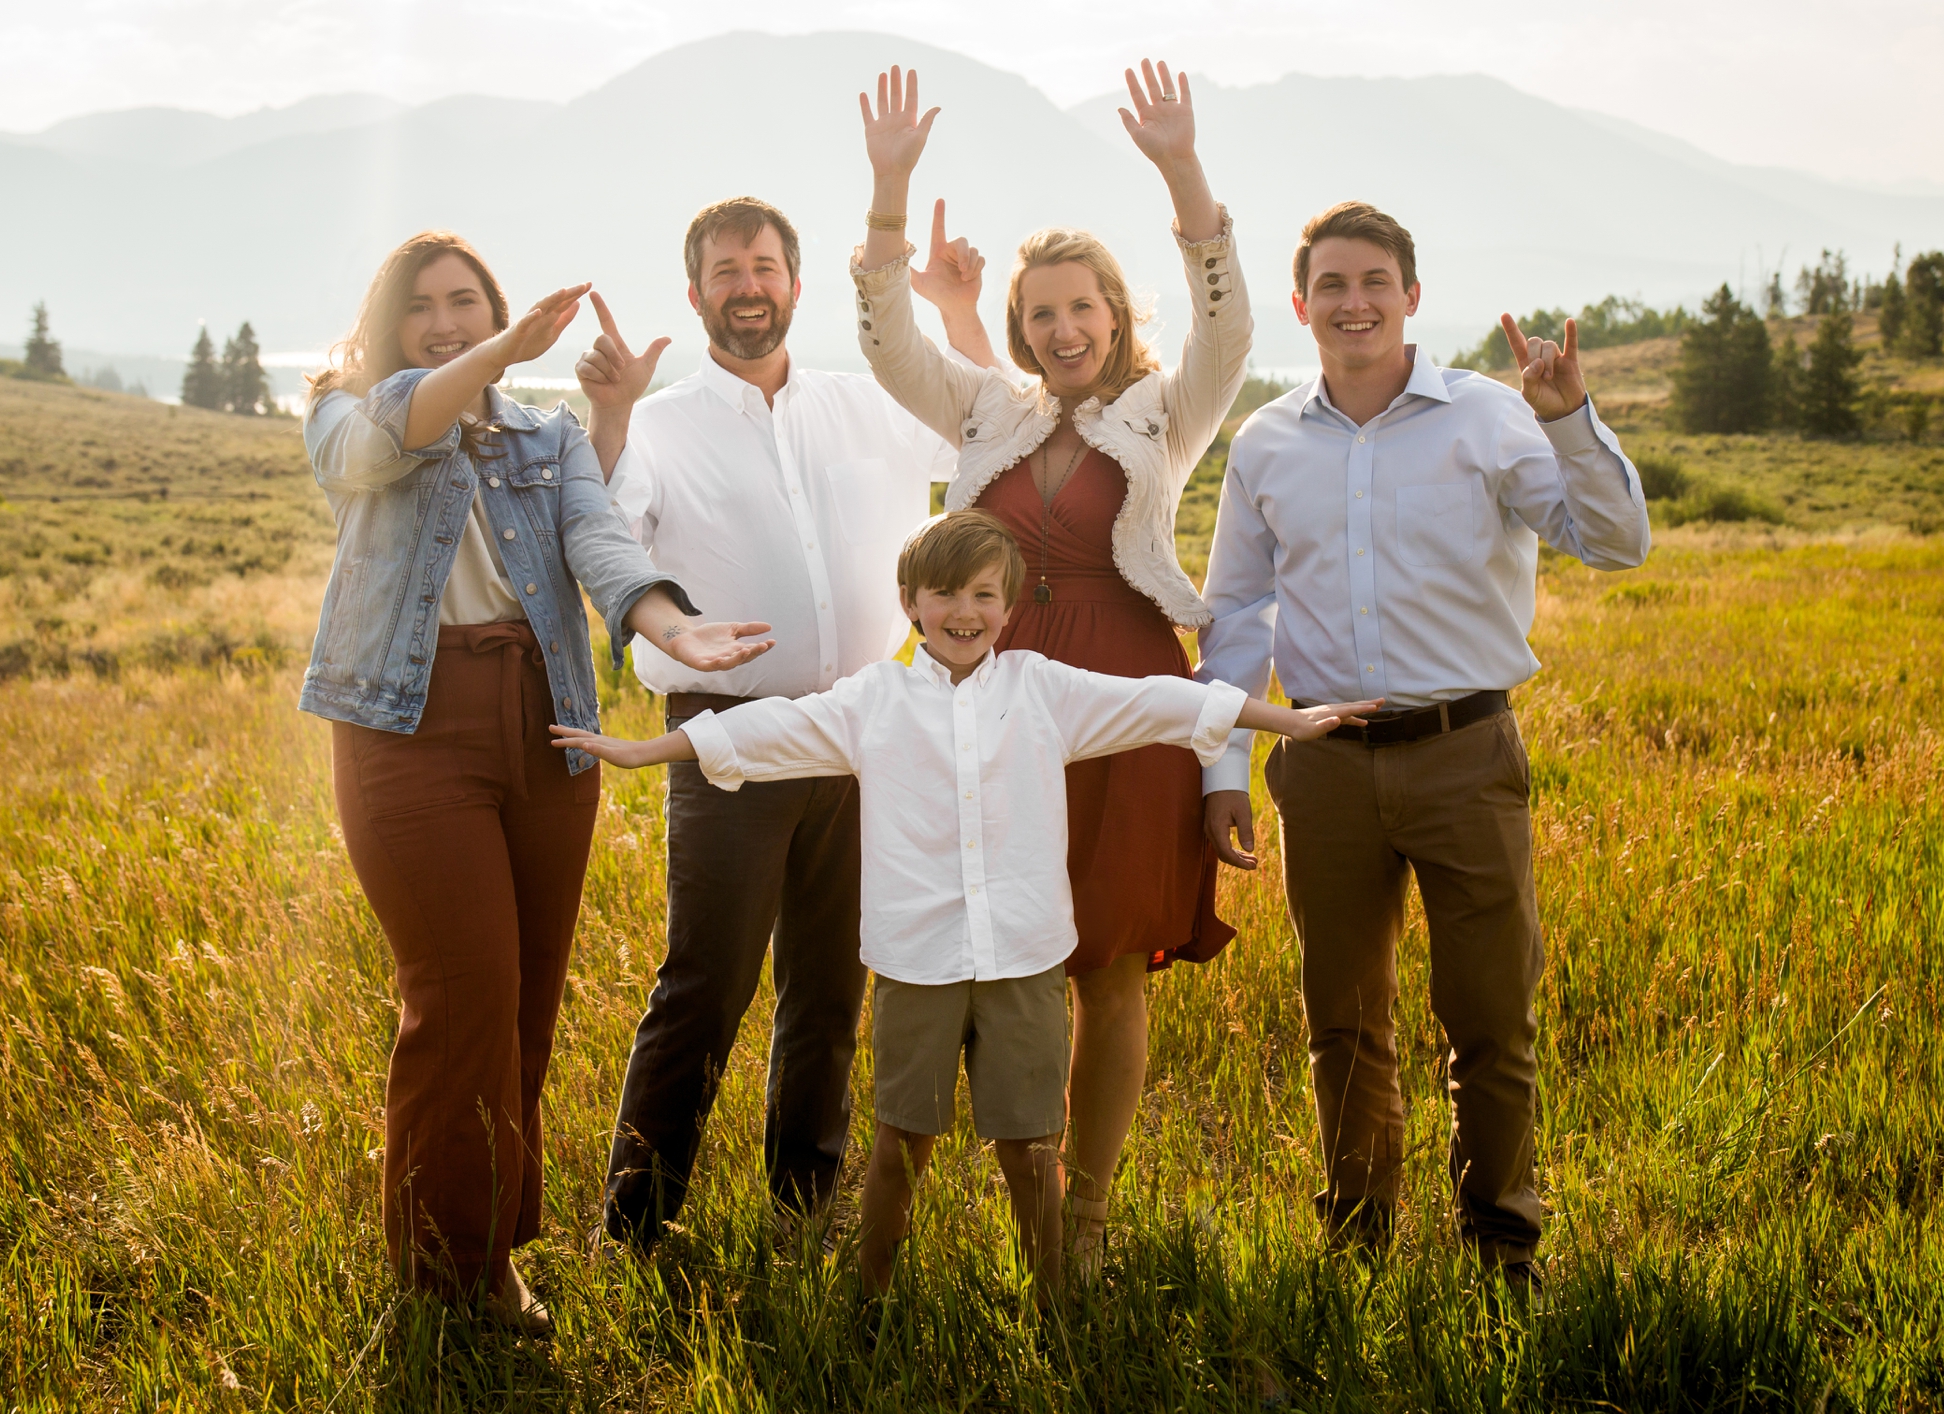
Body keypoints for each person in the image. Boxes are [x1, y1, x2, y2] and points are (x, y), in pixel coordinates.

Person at [549, 511, 1378, 1296]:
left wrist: (1286, 723)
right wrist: (641, 749)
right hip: (919, 963)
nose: (964, 611)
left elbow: (1163, 703)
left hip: (1024, 957)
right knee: (899, 1145)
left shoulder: (1045, 689)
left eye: (985, 594)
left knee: (1028, 1147)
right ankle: (871, 1306)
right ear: (909, 604)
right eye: (944, 594)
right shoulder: (873, 701)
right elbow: (766, 732)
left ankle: (1054, 1304)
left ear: (1010, 609)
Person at [298, 230, 773, 1330]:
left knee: (524, 1002)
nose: (446, 319)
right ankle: (443, 1271)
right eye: (423, 306)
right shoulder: (347, 409)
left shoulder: (542, 437)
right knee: (457, 994)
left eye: (467, 300)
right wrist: (503, 346)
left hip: (544, 723)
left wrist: (668, 620)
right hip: (407, 728)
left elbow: (597, 540)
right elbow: (390, 435)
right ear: (387, 324)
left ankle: (490, 1248)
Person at [1195, 201, 1651, 1292]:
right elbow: (1237, 614)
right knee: (1341, 1020)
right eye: (1333, 286)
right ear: (1302, 306)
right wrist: (1221, 767)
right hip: (1322, 758)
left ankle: (1502, 1243)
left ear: (1410, 294)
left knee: (1491, 1015)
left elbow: (1617, 541)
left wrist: (1570, 417)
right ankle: (1356, 1239)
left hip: (1465, 751)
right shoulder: (1264, 441)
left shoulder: (1493, 418)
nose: (1355, 302)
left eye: (1376, 282)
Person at [847, 61, 1250, 1273]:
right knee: (979, 938)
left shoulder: (1169, 412)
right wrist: (887, 189)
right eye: (1041, 316)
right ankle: (919, 1201)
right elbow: (883, 338)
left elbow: (1229, 322)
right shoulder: (986, 411)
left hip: (1122, 691)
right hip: (993, 695)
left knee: (1110, 961)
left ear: (1119, 315)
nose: (1064, 331)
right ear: (1019, 330)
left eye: (1085, 309)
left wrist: (1182, 169)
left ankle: (1083, 1213)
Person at [574, 197, 957, 1252]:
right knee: (708, 979)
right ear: (695, 293)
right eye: (726, 269)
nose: (749, 283)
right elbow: (606, 524)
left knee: (832, 984)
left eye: (767, 264)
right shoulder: (655, 424)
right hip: (731, 736)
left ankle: (803, 1210)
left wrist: (957, 311)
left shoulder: (865, 401)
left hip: (860, 730)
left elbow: (982, 419)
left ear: (797, 282)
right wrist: (609, 415)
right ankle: (635, 1225)